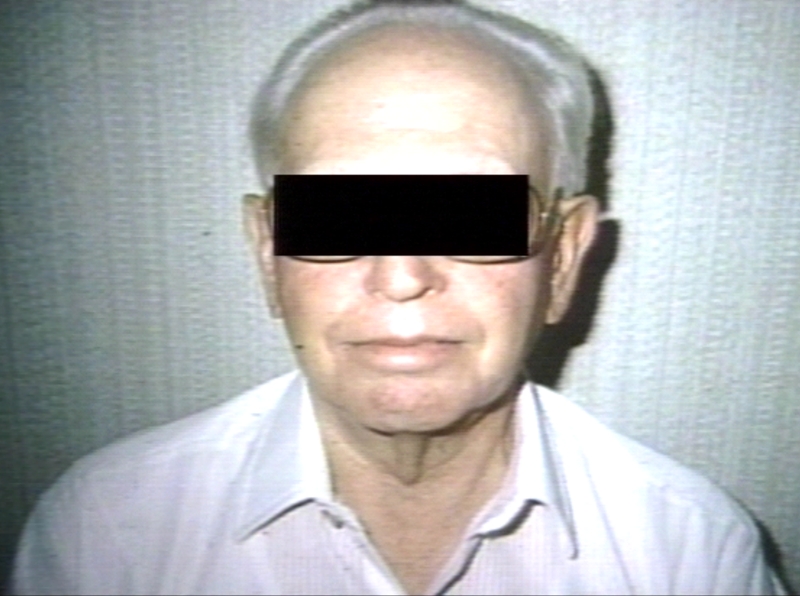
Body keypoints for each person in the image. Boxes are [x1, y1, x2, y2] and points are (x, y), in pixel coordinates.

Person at [11, 1, 786, 594]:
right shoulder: (107, 533)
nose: (401, 276)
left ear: (563, 258)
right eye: (338, 215)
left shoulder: (689, 553)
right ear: (266, 252)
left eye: (471, 214)